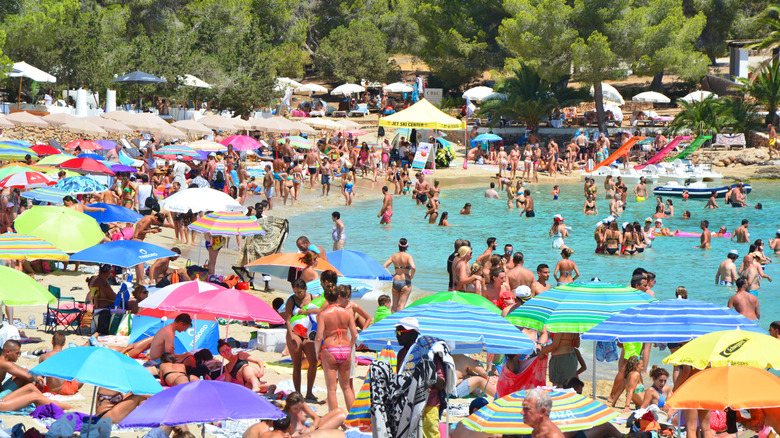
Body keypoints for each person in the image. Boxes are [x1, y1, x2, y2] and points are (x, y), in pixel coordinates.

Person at [395, 317, 446, 438]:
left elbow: (441, 382)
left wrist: (428, 373)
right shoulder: (401, 354)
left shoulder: (429, 353)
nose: (396, 336)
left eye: (399, 332)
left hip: (429, 403)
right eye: (396, 332)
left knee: (430, 435)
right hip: (408, 404)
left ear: (412, 333)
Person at [314, 283, 357, 411]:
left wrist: (317, 352)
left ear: (326, 298)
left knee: (332, 389)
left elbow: (318, 337)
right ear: (338, 296)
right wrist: (350, 347)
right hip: (345, 349)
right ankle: (352, 418)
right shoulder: (347, 313)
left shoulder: (323, 314)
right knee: (346, 387)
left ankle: (333, 417)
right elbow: (354, 334)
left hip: (330, 349)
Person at [0, 340, 73, 411]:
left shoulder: (4, 361)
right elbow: (28, 375)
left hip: (1, 391)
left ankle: (42, 400)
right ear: (8, 352)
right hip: (1, 401)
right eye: (17, 353)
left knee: (21, 377)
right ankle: (61, 405)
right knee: (31, 389)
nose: (19, 355)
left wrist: (36, 376)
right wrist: (37, 378)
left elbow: (22, 370)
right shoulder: (4, 363)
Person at [283, 278, 319, 403]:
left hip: (308, 333)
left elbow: (320, 313)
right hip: (295, 333)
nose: (297, 295)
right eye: (295, 292)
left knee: (313, 361)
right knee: (297, 363)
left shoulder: (314, 298)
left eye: (299, 292)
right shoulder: (291, 300)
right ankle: (298, 393)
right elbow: (287, 320)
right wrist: (291, 335)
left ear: (305, 289)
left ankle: (309, 392)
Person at [383, 238, 416, 312]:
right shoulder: (408, 256)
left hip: (396, 280)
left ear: (398, 245)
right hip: (405, 281)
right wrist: (411, 276)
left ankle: (393, 321)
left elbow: (384, 266)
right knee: (401, 305)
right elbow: (413, 267)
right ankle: (398, 322)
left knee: (394, 306)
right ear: (407, 246)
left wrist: (391, 275)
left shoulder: (394, 256)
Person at [89, 264, 116, 335]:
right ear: (107, 272)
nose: (110, 274)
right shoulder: (102, 282)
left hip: (97, 308)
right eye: (110, 272)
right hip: (104, 308)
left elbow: (96, 296)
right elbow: (113, 297)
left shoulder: (95, 279)